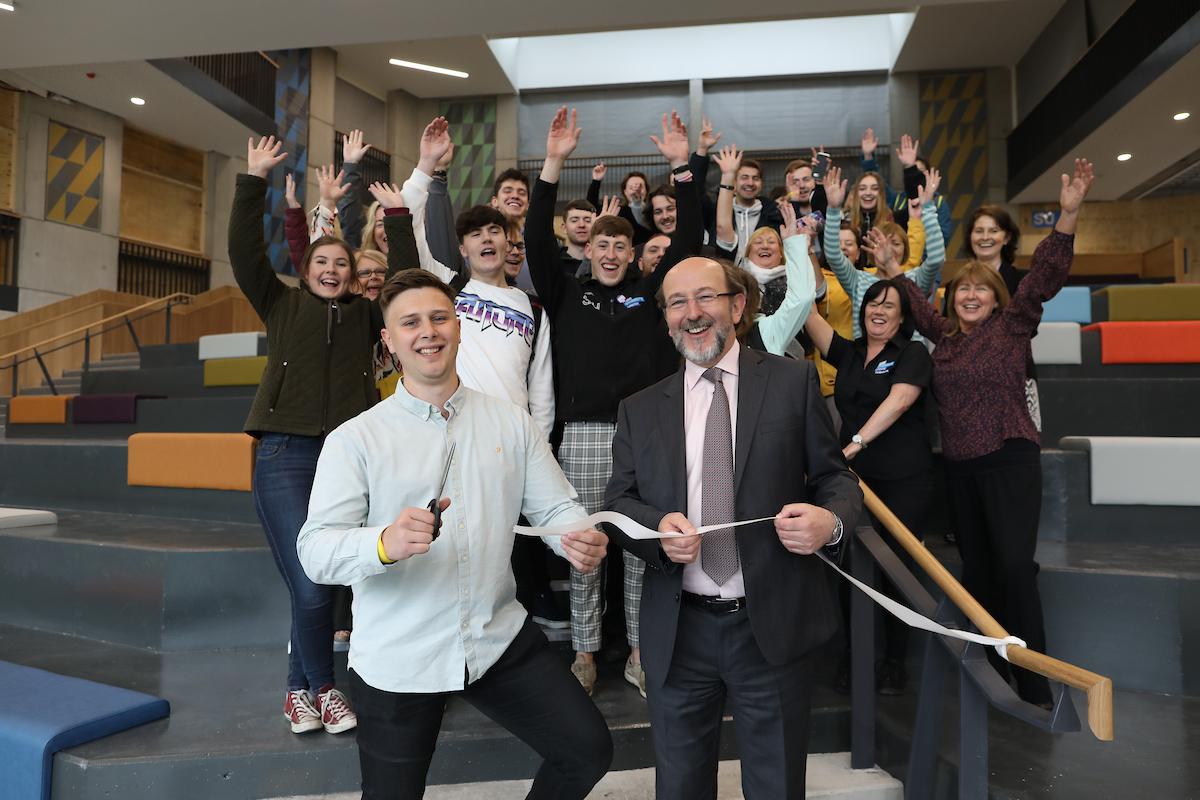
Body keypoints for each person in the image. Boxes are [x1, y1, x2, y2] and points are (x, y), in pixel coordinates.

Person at [297, 269, 613, 799]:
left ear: (460, 325)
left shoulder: (511, 422)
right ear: (390, 340)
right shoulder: (356, 439)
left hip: (496, 638)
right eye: (411, 322)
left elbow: (557, 507)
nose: (429, 331)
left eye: (440, 317)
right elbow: (315, 550)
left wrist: (575, 538)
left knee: (587, 751)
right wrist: (382, 544)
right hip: (400, 655)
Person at [604, 254, 862, 799]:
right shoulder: (639, 408)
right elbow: (619, 503)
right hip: (679, 634)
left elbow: (835, 479)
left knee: (775, 786)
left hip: (770, 627)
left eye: (706, 297)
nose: (692, 314)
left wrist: (829, 521)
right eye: (677, 302)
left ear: (738, 305)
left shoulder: (794, 382)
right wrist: (656, 530)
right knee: (680, 787)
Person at [228, 135, 418, 736]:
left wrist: (397, 217)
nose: (333, 269)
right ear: (305, 270)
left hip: (348, 458)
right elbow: (243, 252)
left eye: (341, 263)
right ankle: (323, 688)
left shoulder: (367, 317)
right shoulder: (281, 306)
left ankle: (298, 689)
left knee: (326, 578)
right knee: (311, 584)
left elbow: (410, 278)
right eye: (322, 262)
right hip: (285, 453)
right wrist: (252, 180)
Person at [891, 158, 1096, 708]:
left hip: (1009, 459)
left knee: (1012, 568)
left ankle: (1035, 684)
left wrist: (1069, 215)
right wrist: (891, 268)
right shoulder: (947, 340)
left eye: (980, 290)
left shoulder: (1013, 326)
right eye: (962, 291)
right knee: (978, 574)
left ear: (996, 298)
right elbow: (913, 300)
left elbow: (1045, 275)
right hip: (961, 468)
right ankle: (991, 676)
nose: (970, 296)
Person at [526, 107, 702, 698]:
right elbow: (533, 238)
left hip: (645, 440)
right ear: (587, 248)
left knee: (639, 551)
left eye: (620, 246)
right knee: (584, 547)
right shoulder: (563, 293)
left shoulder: (650, 297)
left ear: (632, 255)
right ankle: (583, 652)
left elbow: (691, 237)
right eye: (601, 243)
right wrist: (554, 163)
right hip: (581, 436)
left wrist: (682, 165)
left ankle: (636, 654)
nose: (609, 253)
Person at [803, 279, 934, 694]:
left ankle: (894, 664)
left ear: (902, 315)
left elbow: (899, 402)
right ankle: (855, 658)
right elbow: (809, 317)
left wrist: (854, 444)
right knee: (851, 570)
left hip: (903, 479)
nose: (878, 310)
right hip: (856, 480)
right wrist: (797, 244)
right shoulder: (853, 352)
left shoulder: (911, 353)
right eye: (873, 303)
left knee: (897, 570)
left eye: (889, 305)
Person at [822, 164, 945, 339]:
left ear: (905, 251)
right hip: (867, 361)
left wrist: (928, 210)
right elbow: (834, 256)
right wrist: (834, 210)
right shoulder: (858, 280)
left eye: (895, 243)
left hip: (910, 362)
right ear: (870, 250)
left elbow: (936, 259)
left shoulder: (915, 279)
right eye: (880, 242)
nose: (887, 248)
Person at [861, 129, 953, 246]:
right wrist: (868, 157)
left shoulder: (938, 202)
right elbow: (876, 185)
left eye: (919, 172)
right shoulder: (898, 199)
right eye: (912, 172)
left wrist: (917, 253)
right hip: (898, 258)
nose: (915, 175)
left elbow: (943, 237)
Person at [715, 155, 784, 264]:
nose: (750, 183)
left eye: (755, 178)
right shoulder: (718, 211)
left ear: (761, 183)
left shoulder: (774, 213)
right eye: (744, 177)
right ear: (734, 182)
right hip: (730, 275)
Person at [559, 199, 597, 274]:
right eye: (574, 220)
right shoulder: (555, 262)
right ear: (564, 228)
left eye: (588, 220)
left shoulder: (604, 262)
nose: (581, 225)